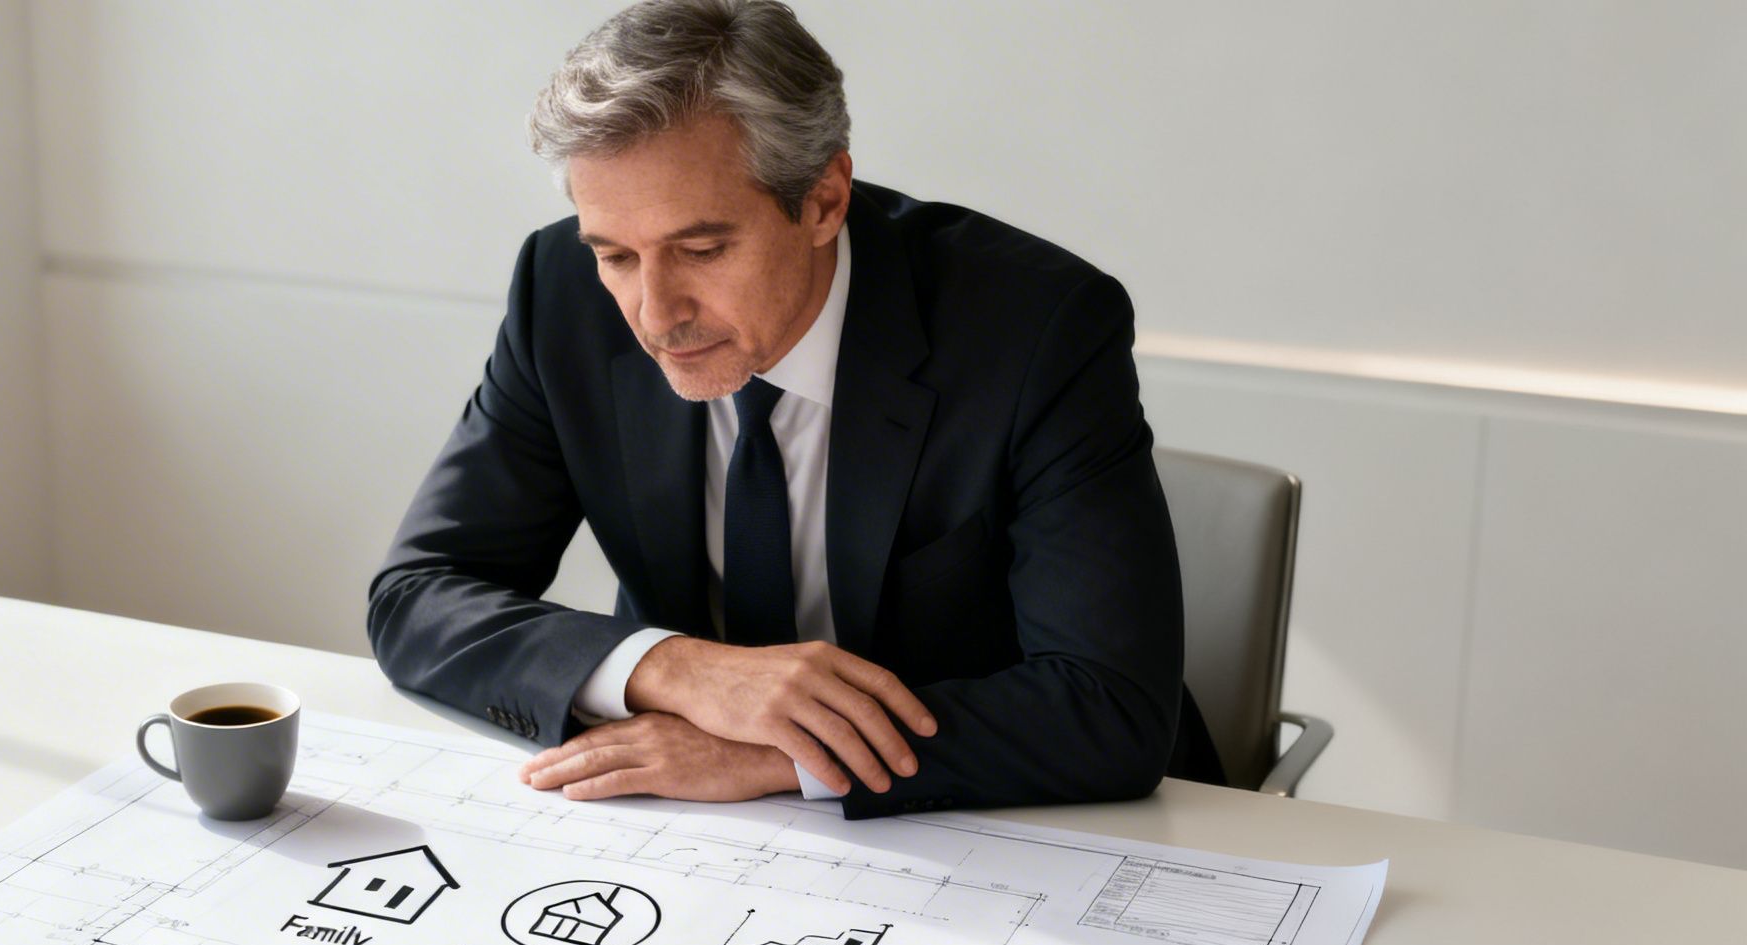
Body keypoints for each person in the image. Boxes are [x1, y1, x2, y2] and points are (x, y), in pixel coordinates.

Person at [369, 0, 1222, 818]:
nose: (656, 314)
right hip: (700, 827)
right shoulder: (560, 292)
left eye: (701, 249)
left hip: (1009, 825)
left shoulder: (1037, 329)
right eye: (617, 255)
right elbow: (419, 594)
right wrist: (675, 671)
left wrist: (772, 758)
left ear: (823, 200)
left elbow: (1110, 710)